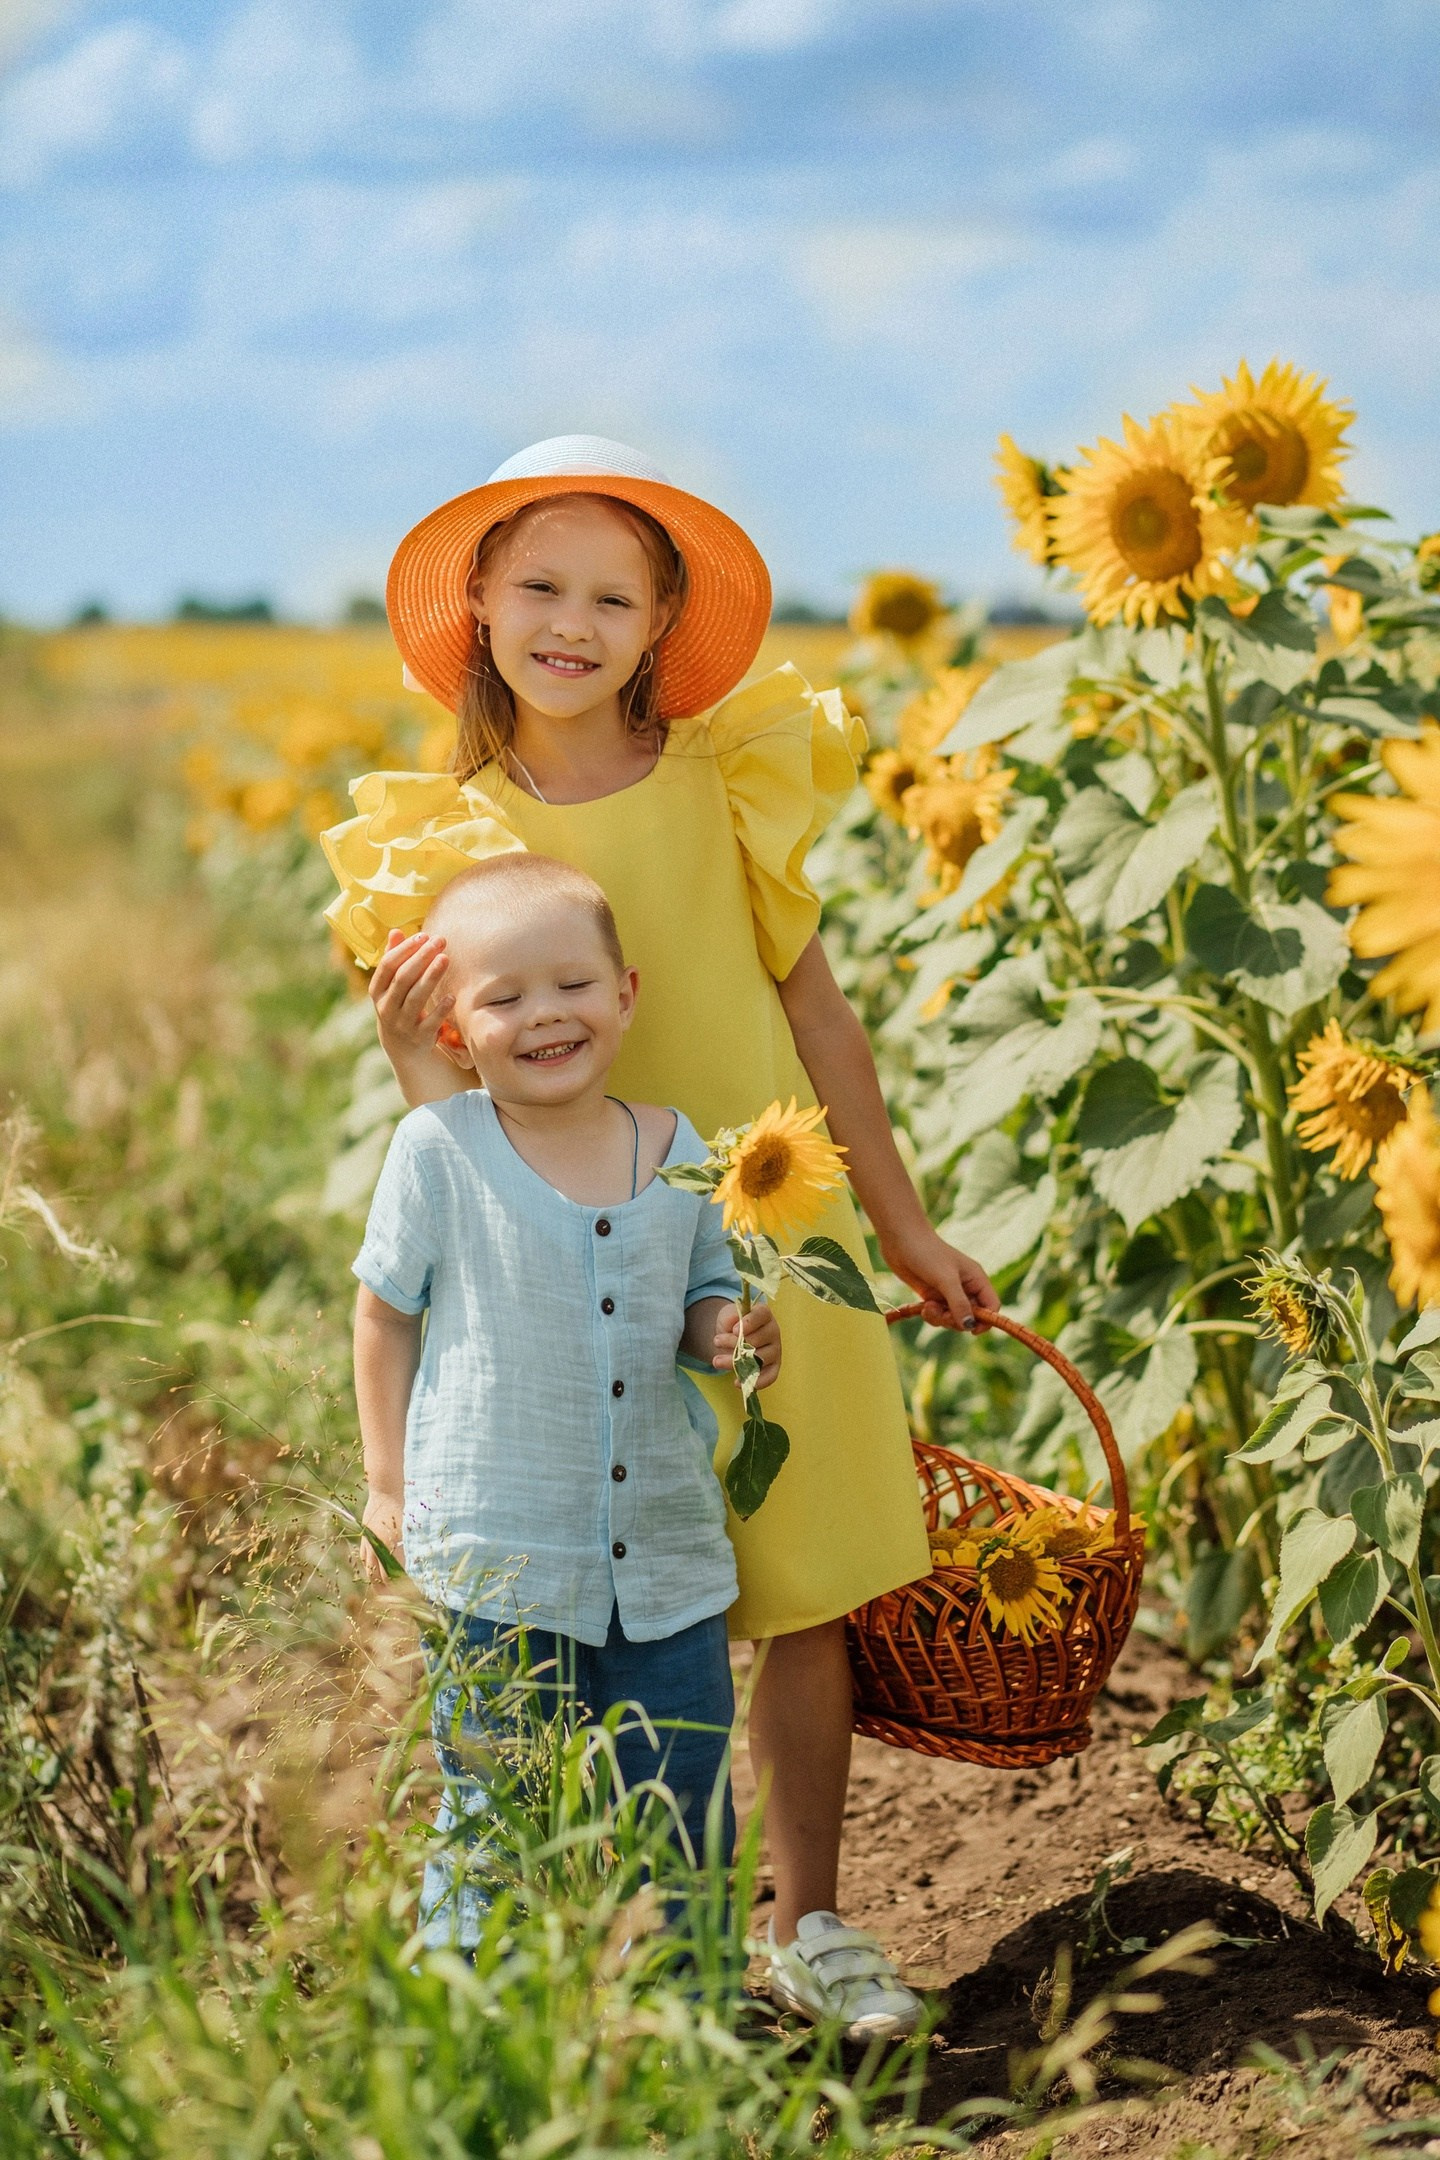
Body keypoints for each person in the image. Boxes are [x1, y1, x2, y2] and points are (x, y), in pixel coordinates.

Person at [325, 436, 1000, 2034]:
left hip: (777, 1237)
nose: (572, 620)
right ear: (479, 605)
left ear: (660, 620)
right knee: (582, 1590)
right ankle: (558, 1941)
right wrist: (414, 1044)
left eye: (611, 595)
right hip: (566, 1269)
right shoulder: (443, 839)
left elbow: (818, 1020)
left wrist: (899, 1227)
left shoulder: (722, 780)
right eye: (540, 585)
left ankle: (812, 1923)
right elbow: (443, 1099)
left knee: (799, 1581)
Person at [354, 850, 780, 1945]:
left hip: (664, 1558)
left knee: (684, 1813)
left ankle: (695, 2045)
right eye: (503, 998)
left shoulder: (678, 1147)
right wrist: (386, 1488)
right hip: (497, 1552)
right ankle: (476, 2040)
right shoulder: (439, 1149)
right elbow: (384, 1314)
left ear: (627, 994)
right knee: (500, 1813)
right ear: (454, 1030)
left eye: (573, 985)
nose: (545, 1015)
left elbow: (698, 1295)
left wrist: (726, 1334)